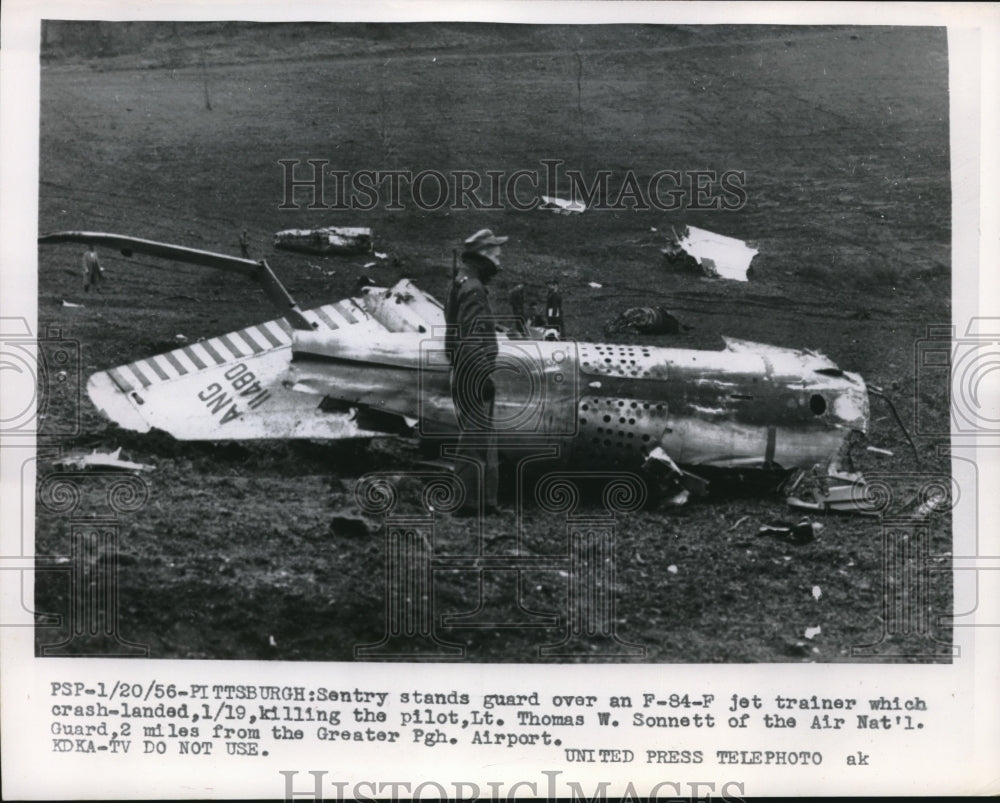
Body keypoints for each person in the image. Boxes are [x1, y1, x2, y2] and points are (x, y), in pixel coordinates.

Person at [445, 229, 506, 517]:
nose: (499, 262)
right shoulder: (473, 289)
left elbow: (452, 336)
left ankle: (485, 503)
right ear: (483, 256)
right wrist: (480, 375)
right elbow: (470, 336)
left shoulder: (462, 283)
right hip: (473, 371)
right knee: (474, 439)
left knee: (482, 438)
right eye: (495, 255)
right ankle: (467, 504)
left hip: (465, 368)